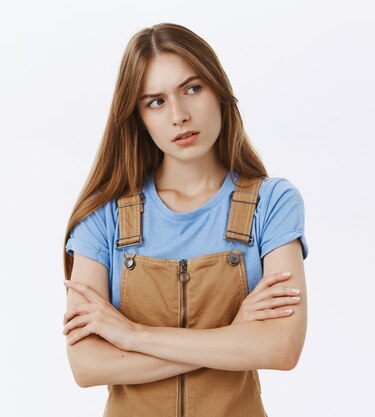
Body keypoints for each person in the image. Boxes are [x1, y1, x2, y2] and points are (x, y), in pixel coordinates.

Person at [61, 22, 308, 417]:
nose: (179, 115)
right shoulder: (101, 215)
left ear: (219, 91)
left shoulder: (273, 203)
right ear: (137, 116)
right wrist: (232, 338)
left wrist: (132, 336)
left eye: (192, 88)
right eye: (155, 101)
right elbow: (88, 366)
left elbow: (281, 348)